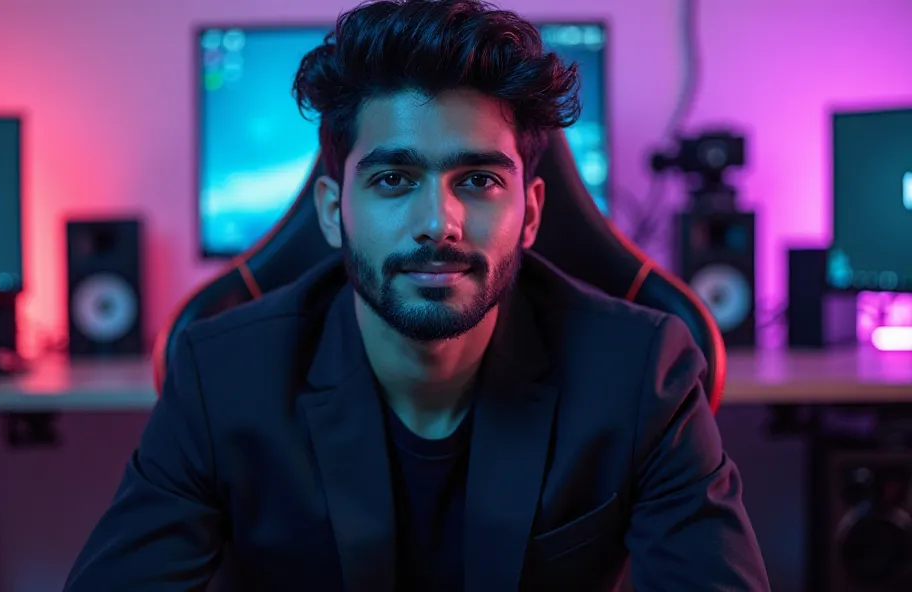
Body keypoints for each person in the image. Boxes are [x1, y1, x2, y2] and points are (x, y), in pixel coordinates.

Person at [64, 0, 770, 590]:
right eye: (394, 180)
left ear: (530, 212)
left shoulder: (641, 372)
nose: (439, 222)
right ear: (333, 210)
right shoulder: (222, 376)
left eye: (479, 180)